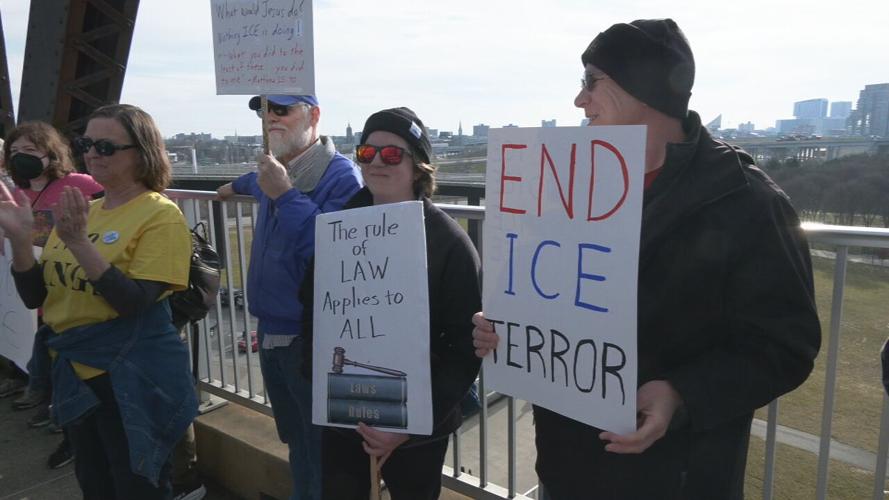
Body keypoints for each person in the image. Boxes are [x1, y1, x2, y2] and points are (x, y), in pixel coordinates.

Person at [471, 19, 822, 499]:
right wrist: (507, 324)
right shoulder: (564, 189)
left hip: (677, 478)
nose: (579, 100)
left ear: (643, 88)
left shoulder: (746, 201)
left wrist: (682, 394)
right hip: (566, 470)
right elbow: (553, 296)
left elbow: (786, 346)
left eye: (591, 82)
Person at [0, 103, 197, 499]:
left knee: (137, 484)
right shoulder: (82, 211)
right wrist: (21, 240)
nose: (91, 153)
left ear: (142, 153)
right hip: (76, 374)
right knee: (95, 482)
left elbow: (134, 302)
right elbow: (35, 296)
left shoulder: (159, 215)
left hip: (130, 377)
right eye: (86, 143)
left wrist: (77, 242)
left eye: (106, 147)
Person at [301, 107, 481, 500]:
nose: (378, 162)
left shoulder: (450, 243)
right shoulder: (338, 230)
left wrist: (408, 426)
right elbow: (313, 312)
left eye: (393, 154)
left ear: (418, 167)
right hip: (343, 418)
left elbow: (465, 349)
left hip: (417, 432)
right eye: (367, 153)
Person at [217, 94, 362, 500]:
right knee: (298, 442)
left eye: (282, 109)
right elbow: (254, 181)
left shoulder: (342, 177)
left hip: (309, 341)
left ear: (313, 115)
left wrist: (284, 195)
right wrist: (228, 188)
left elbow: (332, 256)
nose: (270, 119)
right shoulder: (273, 171)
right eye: (266, 111)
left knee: (322, 453)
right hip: (272, 334)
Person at [0, 121, 105, 470]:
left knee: (71, 367)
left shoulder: (79, 185)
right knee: (53, 362)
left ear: (51, 154)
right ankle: (57, 415)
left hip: (75, 291)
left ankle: (70, 433)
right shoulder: (19, 195)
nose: (20, 159)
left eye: (29, 152)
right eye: (14, 153)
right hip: (38, 295)